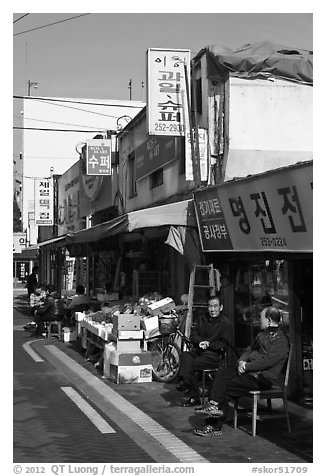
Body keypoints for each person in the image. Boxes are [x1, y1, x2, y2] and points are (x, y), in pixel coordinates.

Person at [193, 306, 289, 437]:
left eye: (261, 318)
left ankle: (213, 424)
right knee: (221, 375)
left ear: (269, 319)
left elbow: (267, 361)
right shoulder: (262, 334)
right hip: (248, 370)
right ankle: (213, 405)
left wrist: (247, 366)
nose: (258, 320)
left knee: (227, 388)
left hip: (261, 378)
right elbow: (249, 349)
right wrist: (242, 361)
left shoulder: (280, 340)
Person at [177, 295, 231, 407]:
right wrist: (200, 342)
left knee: (192, 364)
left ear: (221, 307)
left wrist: (209, 344)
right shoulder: (203, 318)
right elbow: (193, 334)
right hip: (199, 350)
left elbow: (224, 342)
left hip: (214, 355)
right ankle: (187, 385)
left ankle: (189, 389)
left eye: (215, 306)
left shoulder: (225, 323)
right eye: (210, 306)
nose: (212, 309)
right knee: (185, 356)